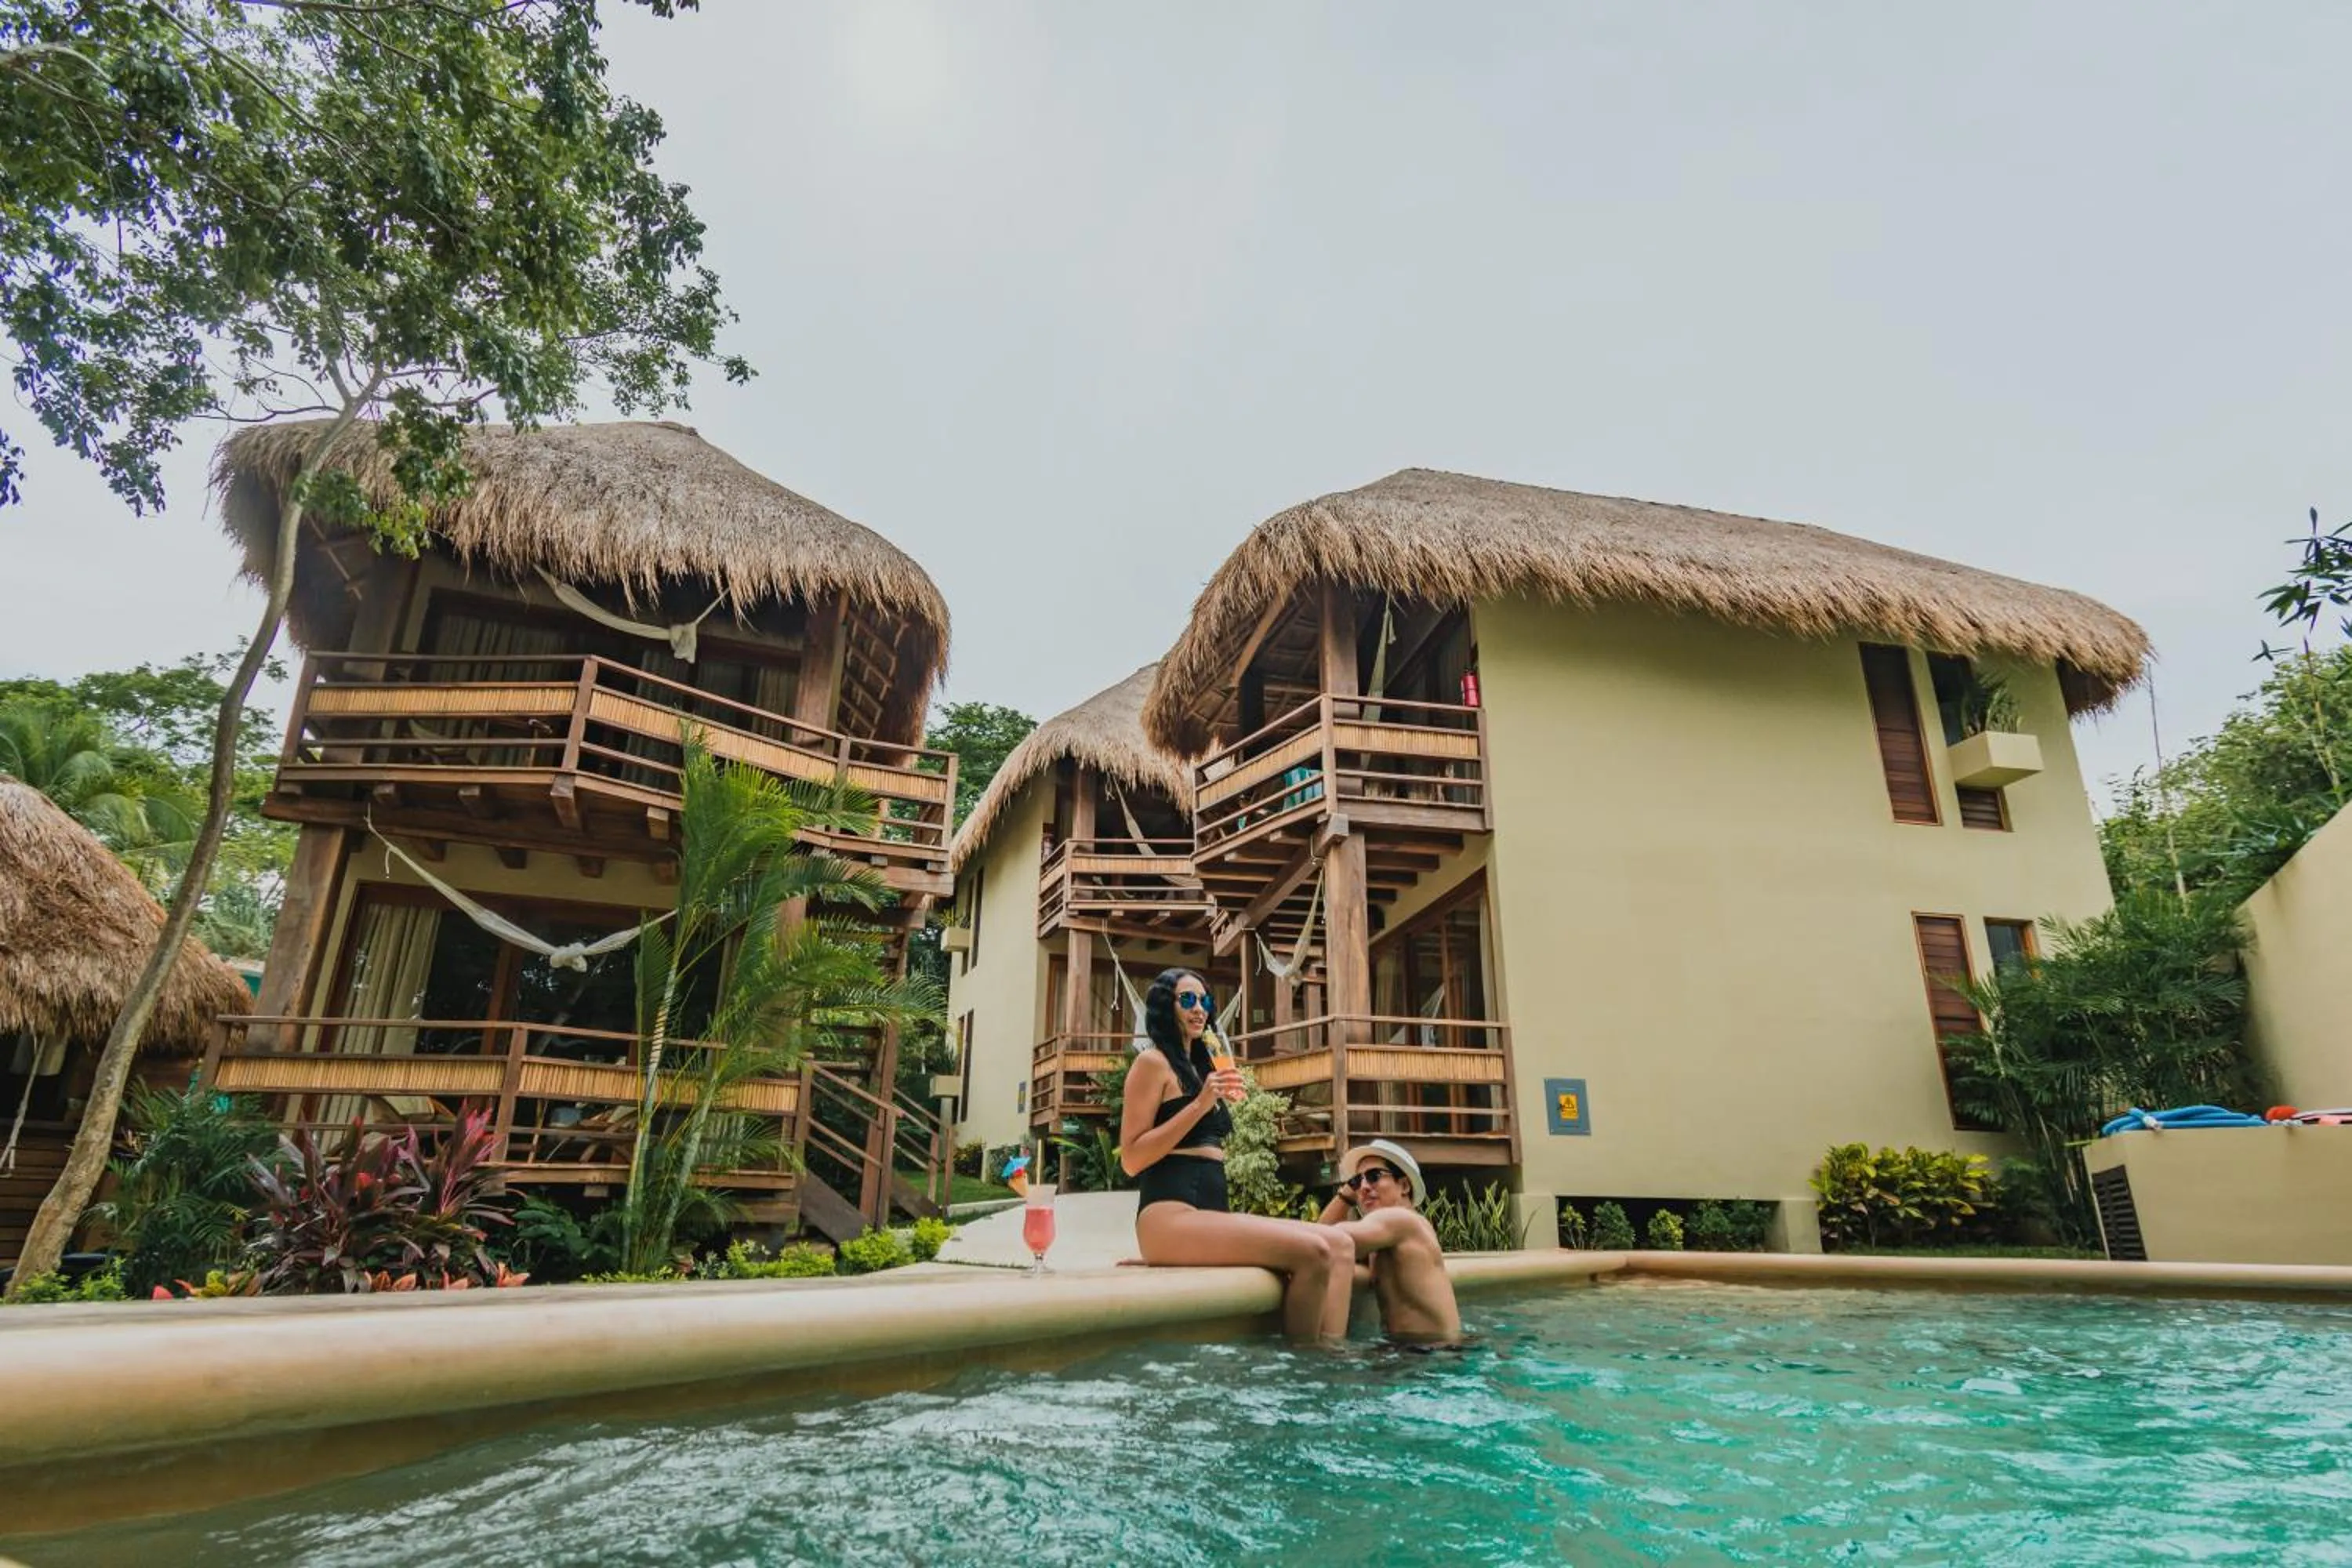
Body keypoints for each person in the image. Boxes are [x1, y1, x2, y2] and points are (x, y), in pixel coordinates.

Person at [1121, 967, 1355, 1339]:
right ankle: (1311, 1367)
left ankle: (1336, 1358)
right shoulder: (1152, 1064)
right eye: (1187, 1000)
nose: (1200, 1009)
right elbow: (1131, 1158)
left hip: (1208, 1214)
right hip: (1168, 1213)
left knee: (1342, 1244)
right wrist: (1201, 1104)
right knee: (1315, 1253)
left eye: (1204, 1000)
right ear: (1166, 1006)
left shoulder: (1202, 1068)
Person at [1316, 1139, 1462, 1345]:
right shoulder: (1384, 1239)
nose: (1364, 1188)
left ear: (1403, 1185)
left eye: (1374, 1176)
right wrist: (1346, 1196)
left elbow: (1325, 1239)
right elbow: (1321, 1240)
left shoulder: (1403, 1221)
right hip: (1413, 1353)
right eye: (1357, 1182)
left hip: (1432, 1355)